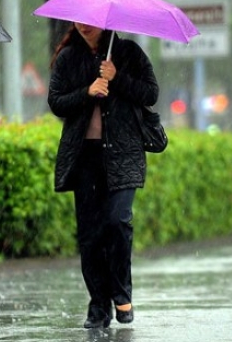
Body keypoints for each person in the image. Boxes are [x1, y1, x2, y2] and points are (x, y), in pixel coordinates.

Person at [48, 23, 158, 328]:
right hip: (84, 157)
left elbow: (150, 93)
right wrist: (88, 91)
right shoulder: (69, 58)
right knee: (90, 234)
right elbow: (56, 101)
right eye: (79, 20)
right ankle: (98, 304)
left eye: (91, 20)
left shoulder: (128, 53)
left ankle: (122, 294)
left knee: (118, 221)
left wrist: (116, 78)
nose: (84, 26)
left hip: (123, 154)